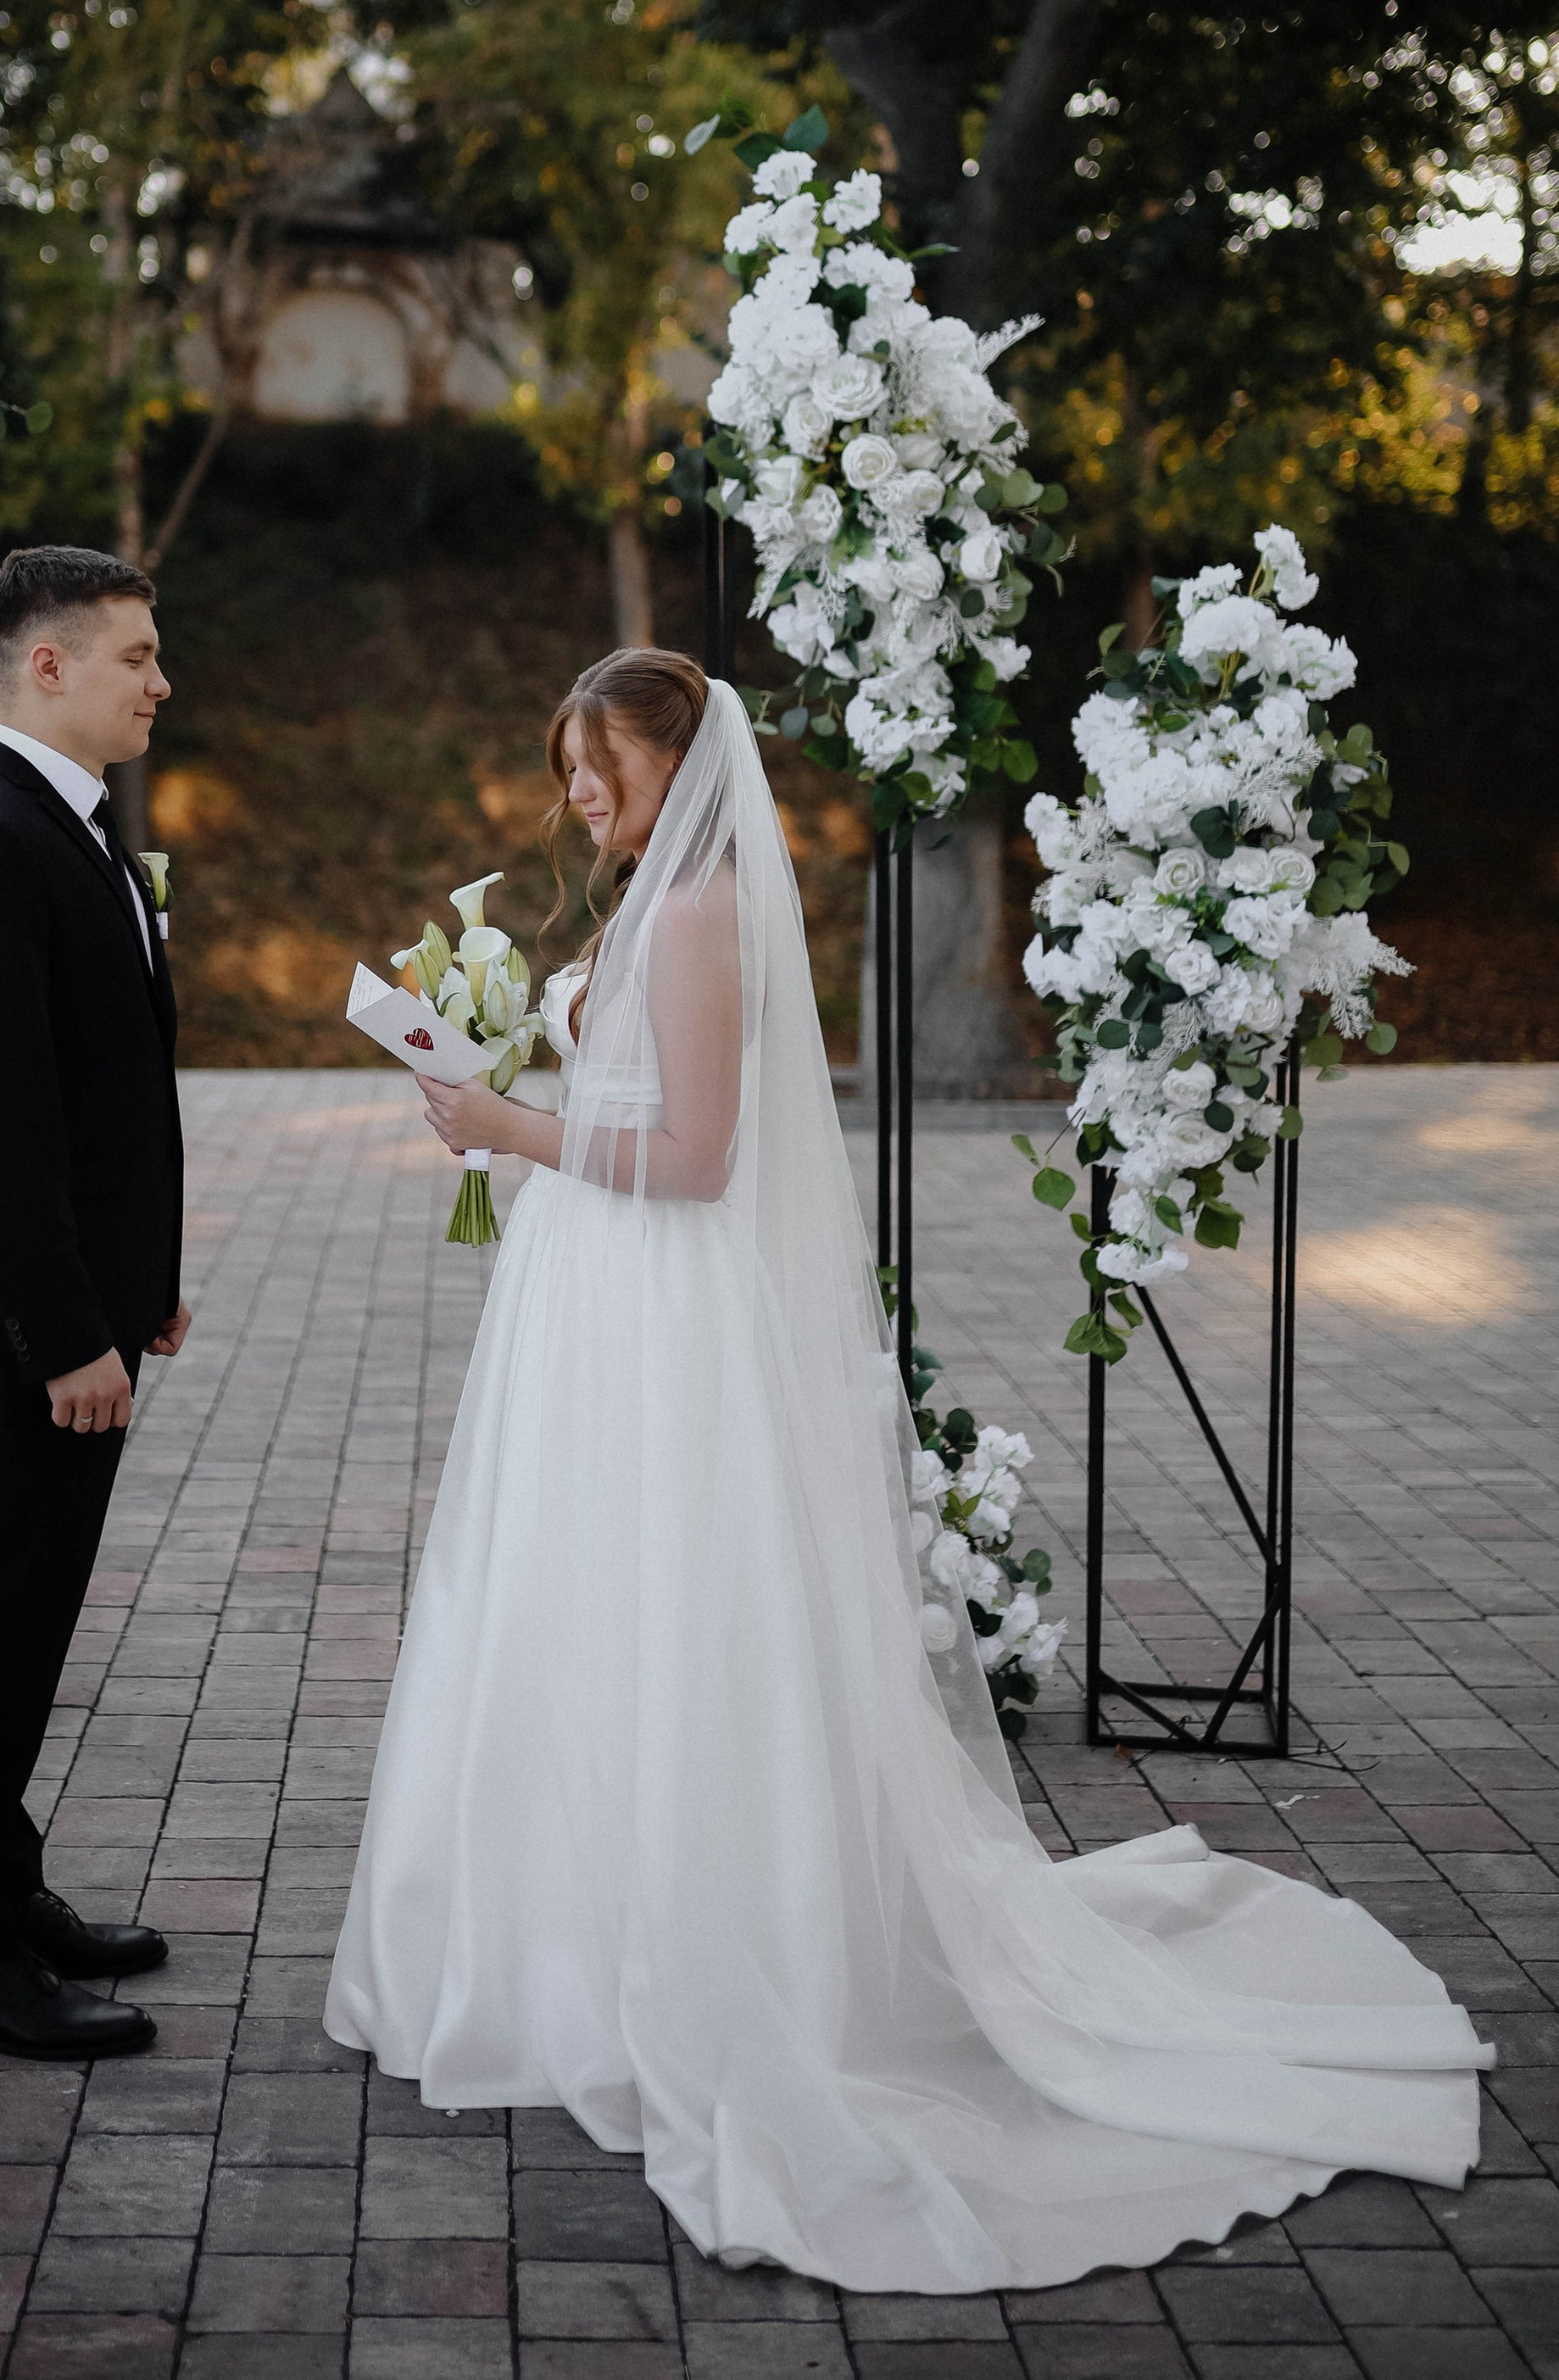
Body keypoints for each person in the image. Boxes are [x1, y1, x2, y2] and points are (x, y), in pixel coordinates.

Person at [325, 648, 1492, 2291]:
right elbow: (638, 1103)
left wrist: (503, 1127)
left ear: (678, 761)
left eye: (599, 765)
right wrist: (513, 1093)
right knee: (579, 1609)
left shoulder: (689, 914)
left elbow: (699, 1157)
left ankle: (681, 1952)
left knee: (666, 1611)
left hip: (654, 1309)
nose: (574, 792)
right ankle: (568, 1943)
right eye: (566, 763)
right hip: (588, 1299)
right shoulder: (650, 900)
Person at [0, 543, 190, 2061]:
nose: (161, 680)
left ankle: (1, 1897)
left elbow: (104, 1086)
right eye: (136, 653)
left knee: (26, 1620)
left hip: (71, 1303)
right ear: (50, 666)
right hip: (17, 1320)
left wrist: (145, 1285)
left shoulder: (68, 830)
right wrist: (69, 1329)